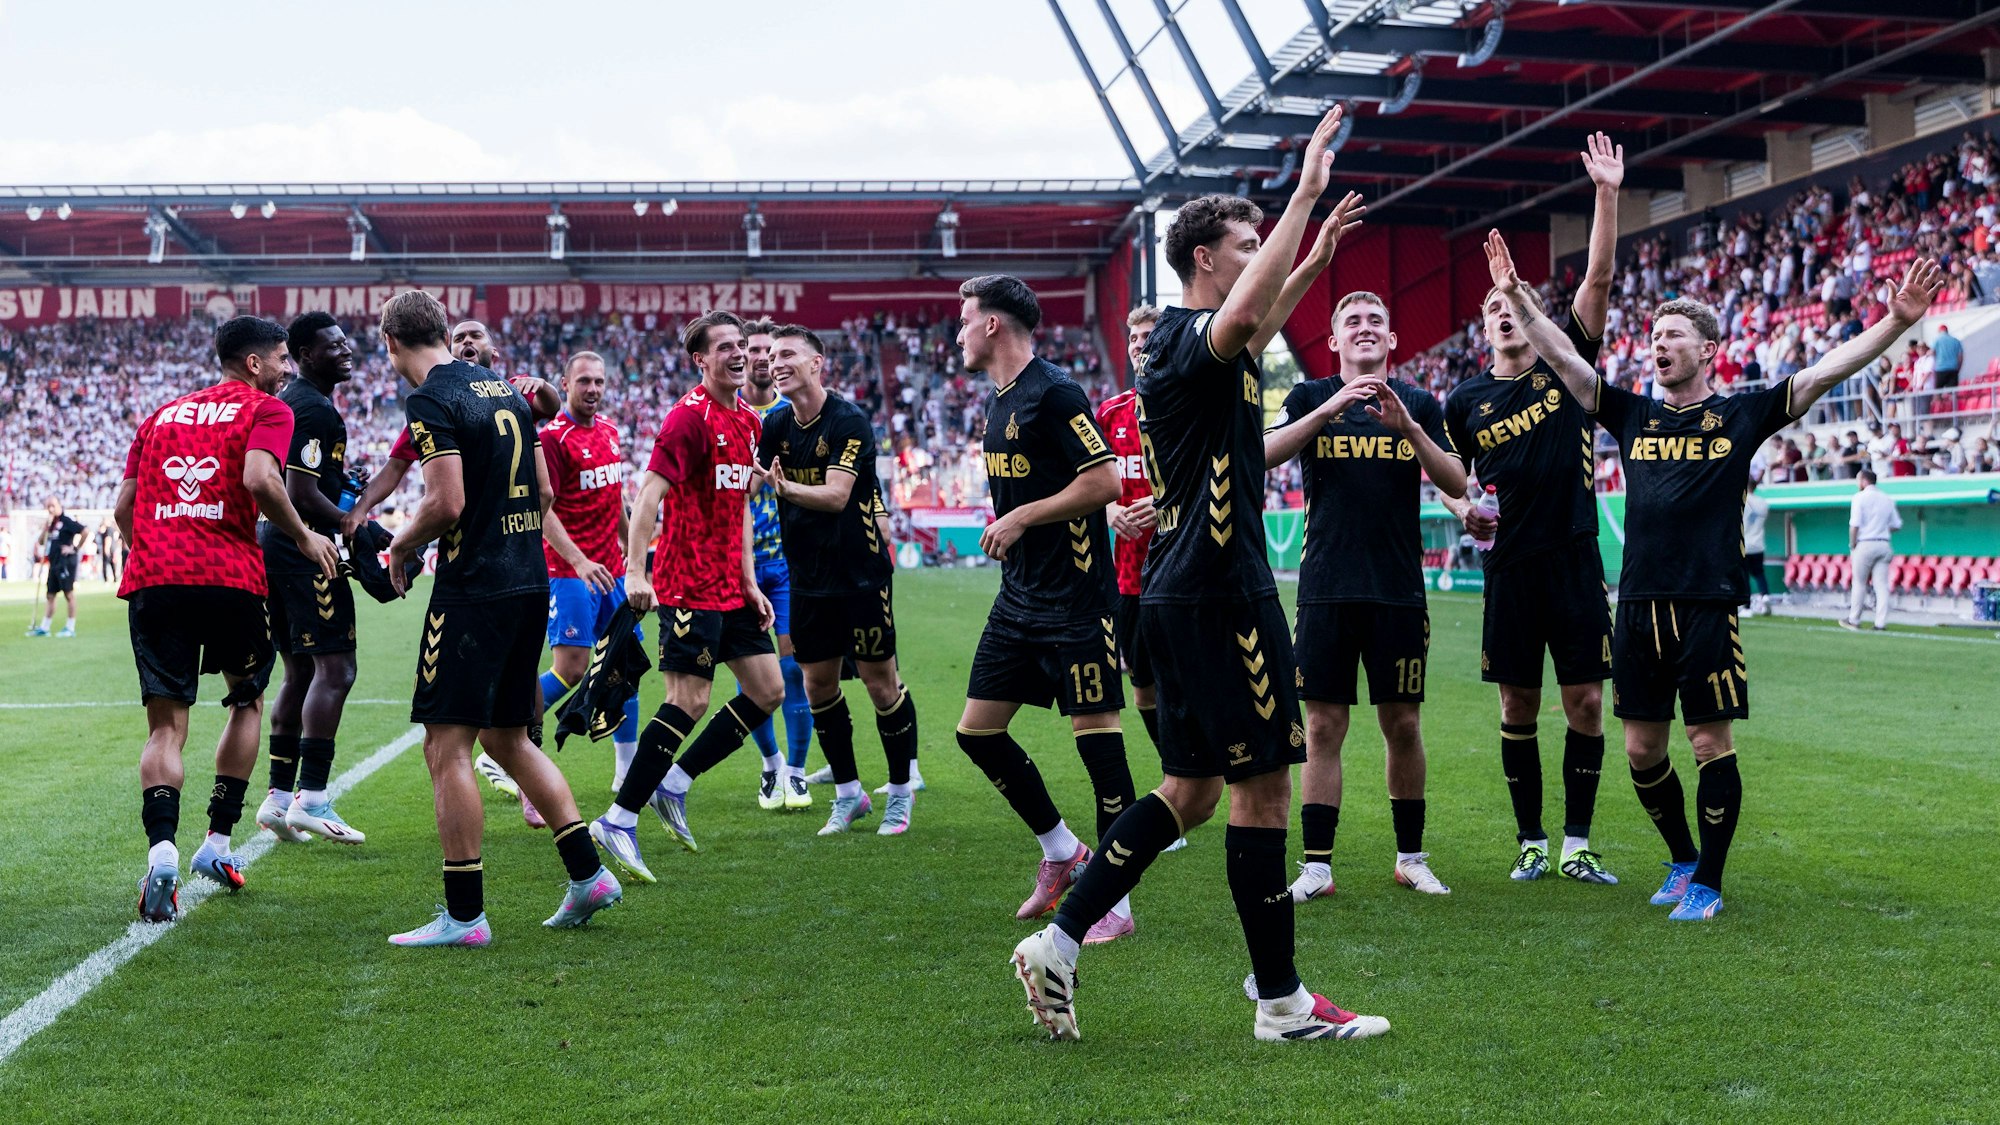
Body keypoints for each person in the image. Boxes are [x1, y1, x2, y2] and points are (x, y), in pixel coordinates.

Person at [1010, 106, 1392, 1043]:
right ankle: (1282, 1003)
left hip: (1182, 588)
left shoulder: (1194, 349)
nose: (1258, 255)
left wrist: (1310, 259)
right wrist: (1304, 193)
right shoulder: (1189, 337)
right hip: (1223, 591)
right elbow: (1247, 319)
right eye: (1246, 245)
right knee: (1262, 790)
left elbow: (1257, 323)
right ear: (1206, 260)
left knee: (1191, 790)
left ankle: (1059, 941)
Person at [1486, 229, 1941, 922]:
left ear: (1708, 350)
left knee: (1707, 742)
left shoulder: (1740, 414)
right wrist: (1517, 297)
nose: (1658, 344)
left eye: (1673, 335)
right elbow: (1566, 360)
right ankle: (1682, 858)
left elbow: (1823, 372)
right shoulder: (1633, 415)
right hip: (1637, 606)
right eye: (1653, 336)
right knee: (1641, 750)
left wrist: (1895, 323)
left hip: (1707, 604)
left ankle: (1710, 882)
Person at [379, 289, 621, 946]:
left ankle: (464, 915)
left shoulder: (431, 398)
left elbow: (446, 502)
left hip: (474, 590)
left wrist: (400, 545)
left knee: (445, 745)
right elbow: (543, 491)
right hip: (528, 581)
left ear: (392, 342)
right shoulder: (504, 390)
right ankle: (588, 874)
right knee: (509, 740)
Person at [1440, 132, 1623, 887]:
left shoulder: (1567, 367)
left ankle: (1578, 842)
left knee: (1585, 702)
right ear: (1484, 327)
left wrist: (1605, 194)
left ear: (1530, 314)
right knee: (1517, 704)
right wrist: (1461, 509)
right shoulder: (1464, 401)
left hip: (1574, 555)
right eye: (1492, 307)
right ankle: (1532, 841)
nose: (1504, 313)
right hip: (1510, 566)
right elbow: (1451, 478)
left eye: (1512, 303)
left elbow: (1600, 277)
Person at [115, 315, 340, 921]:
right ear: (254, 363)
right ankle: (216, 842)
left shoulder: (160, 416)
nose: (288, 370)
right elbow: (260, 479)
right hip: (227, 578)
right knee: (246, 700)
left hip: (157, 579)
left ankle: (162, 850)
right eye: (283, 359)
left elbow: (124, 508)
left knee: (166, 728)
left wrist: (149, 556)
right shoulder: (268, 410)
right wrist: (304, 537)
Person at [1265, 286, 1466, 902]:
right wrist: (1329, 409)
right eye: (1352, 320)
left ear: (1391, 337)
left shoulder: (1418, 402)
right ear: (1334, 340)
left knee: (1402, 723)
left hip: (1397, 590)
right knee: (1323, 726)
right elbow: (1263, 453)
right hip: (1325, 588)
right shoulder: (1309, 396)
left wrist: (1410, 429)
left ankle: (1411, 858)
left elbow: (1456, 479)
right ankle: (1317, 867)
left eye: (1375, 319)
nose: (1364, 327)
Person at [948, 275, 1133, 936]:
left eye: (965, 320)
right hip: (1019, 599)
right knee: (977, 732)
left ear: (992, 324)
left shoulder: (1055, 392)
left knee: (1100, 750)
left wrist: (1023, 515)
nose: (959, 333)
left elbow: (1105, 481)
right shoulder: (998, 399)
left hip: (1078, 601)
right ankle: (1062, 850)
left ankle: (1115, 903)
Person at [588, 311, 784, 882]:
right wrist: (636, 571)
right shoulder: (687, 418)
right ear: (700, 359)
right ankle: (619, 819)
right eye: (724, 347)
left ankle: (673, 783)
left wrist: (749, 581)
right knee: (689, 701)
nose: (738, 354)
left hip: (730, 586)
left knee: (768, 690)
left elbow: (740, 506)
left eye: (741, 344)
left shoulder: (748, 420)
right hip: (687, 584)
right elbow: (648, 496)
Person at [754, 324, 918, 836]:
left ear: (816, 363)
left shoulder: (849, 421)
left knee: (880, 683)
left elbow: (836, 496)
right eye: (772, 357)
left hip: (860, 577)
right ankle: (849, 795)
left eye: (787, 354)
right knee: (818, 684)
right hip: (806, 580)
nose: (776, 364)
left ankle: (900, 792)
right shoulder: (775, 424)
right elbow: (750, 481)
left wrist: (783, 489)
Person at [254, 312, 368, 849]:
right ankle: (313, 797)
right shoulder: (316, 408)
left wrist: (344, 494)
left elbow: (303, 483)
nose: (346, 351)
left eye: (346, 343)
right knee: (337, 668)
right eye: (332, 346)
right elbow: (300, 492)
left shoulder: (295, 403)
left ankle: (279, 799)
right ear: (304, 355)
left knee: (298, 671)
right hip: (302, 548)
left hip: (274, 544)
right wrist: (354, 523)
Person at [536, 351, 642, 798]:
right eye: (583, 381)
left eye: (598, 381)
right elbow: (542, 510)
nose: (593, 389)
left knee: (626, 663)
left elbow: (614, 499)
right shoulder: (552, 439)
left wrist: (632, 550)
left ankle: (626, 772)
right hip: (569, 572)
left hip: (612, 573)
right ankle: (503, 740)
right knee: (572, 669)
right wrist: (579, 560)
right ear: (565, 384)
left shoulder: (611, 433)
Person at [737, 318, 817, 808]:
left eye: (772, 351)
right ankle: (770, 765)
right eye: (755, 350)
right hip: (739, 563)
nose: (763, 359)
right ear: (742, 355)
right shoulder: (729, 413)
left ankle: (797, 771)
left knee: (794, 671)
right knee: (754, 676)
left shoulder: (794, 413)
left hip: (788, 563)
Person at [1099, 306, 1162, 748]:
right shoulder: (1110, 412)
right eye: (1134, 338)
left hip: (1182, 571)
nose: (1139, 344)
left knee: (1189, 679)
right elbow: (1087, 480)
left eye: (1148, 336)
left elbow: (1215, 476)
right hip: (1128, 577)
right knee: (1143, 688)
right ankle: (1174, 769)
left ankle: (1195, 770)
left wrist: (1165, 504)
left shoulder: (1190, 407)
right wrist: (1108, 510)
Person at [1842, 469, 1901, 632]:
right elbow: (1896, 525)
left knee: (1859, 583)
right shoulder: (1887, 498)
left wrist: (1852, 544)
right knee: (1881, 585)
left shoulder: (1859, 497)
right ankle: (1880, 623)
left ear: (1863, 480)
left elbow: (1854, 524)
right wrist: (1881, 529)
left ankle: (1854, 619)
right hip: (1884, 543)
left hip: (1865, 543)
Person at [27, 497, 86, 637]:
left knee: (68, 594)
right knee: (50, 594)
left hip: (65, 563)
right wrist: (45, 528)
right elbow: (41, 541)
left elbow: (85, 531)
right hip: (54, 563)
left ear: (59, 505)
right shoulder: (51, 524)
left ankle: (70, 628)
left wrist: (74, 548)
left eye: (53, 505)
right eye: (48, 506)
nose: (50, 509)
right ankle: (45, 627)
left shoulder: (66, 521)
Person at [1742, 479, 1772, 617]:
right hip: (1758, 543)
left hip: (1745, 543)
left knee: (1745, 576)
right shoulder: (1763, 502)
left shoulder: (1743, 501)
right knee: (1759, 573)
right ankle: (1765, 596)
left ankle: (1747, 607)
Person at [1932, 324, 1963, 392]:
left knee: (1938, 392)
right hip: (1953, 368)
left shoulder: (1937, 340)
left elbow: (1932, 353)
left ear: (1939, 331)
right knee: (1953, 393)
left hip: (1940, 369)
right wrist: (1958, 369)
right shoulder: (1956, 341)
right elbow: (1960, 357)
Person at [96, 517, 120, 583]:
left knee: (106, 565)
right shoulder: (112, 529)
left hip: (109, 550)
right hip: (113, 549)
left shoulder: (108, 529)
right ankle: (114, 579)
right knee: (113, 564)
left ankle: (107, 579)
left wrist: (106, 550)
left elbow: (108, 539)